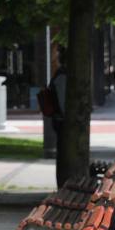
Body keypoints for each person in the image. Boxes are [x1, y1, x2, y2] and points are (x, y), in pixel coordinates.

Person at [49, 46, 66, 187]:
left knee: (63, 153)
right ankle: (63, 185)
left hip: (60, 120)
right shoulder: (62, 76)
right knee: (63, 153)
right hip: (62, 121)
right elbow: (62, 101)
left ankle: (63, 184)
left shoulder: (60, 75)